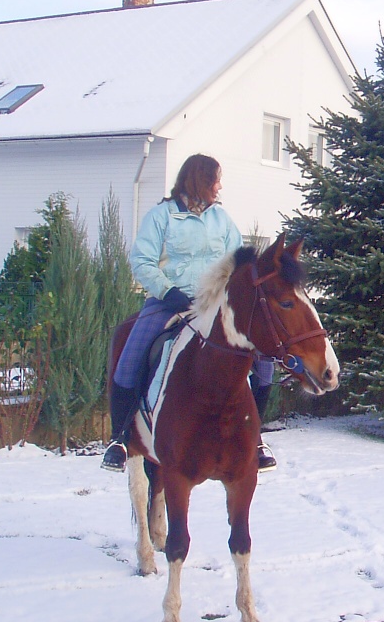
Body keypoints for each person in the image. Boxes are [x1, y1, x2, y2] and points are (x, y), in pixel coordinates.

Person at [101, 154, 278, 473]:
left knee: (264, 364)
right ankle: (119, 439)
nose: (219, 186)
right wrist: (168, 292)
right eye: (214, 180)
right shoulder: (161, 217)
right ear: (198, 180)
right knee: (129, 358)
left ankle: (258, 437)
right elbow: (142, 260)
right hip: (169, 302)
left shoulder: (221, 220)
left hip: (215, 306)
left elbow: (238, 261)